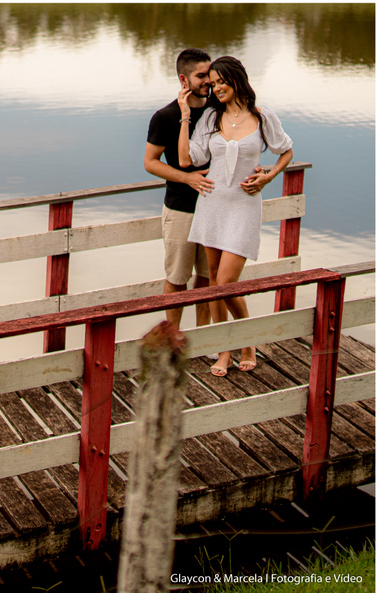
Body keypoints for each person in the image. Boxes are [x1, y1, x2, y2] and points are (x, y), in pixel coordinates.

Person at [178, 55, 294, 376]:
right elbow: (187, 160)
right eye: (212, 84)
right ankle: (225, 350)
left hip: (244, 206)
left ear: (236, 78)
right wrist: (186, 116)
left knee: (227, 282)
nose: (216, 89)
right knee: (214, 282)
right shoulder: (211, 119)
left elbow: (286, 151)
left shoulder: (262, 116)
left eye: (220, 82)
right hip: (212, 205)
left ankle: (248, 340)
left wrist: (268, 176)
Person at [145, 48, 215, 329]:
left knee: (208, 277)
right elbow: (150, 163)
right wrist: (187, 178)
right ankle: (174, 338)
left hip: (214, 208)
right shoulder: (165, 116)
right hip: (181, 209)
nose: (208, 81)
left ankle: (204, 337)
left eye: (210, 75)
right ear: (184, 80)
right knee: (177, 278)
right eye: (201, 76)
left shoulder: (217, 112)